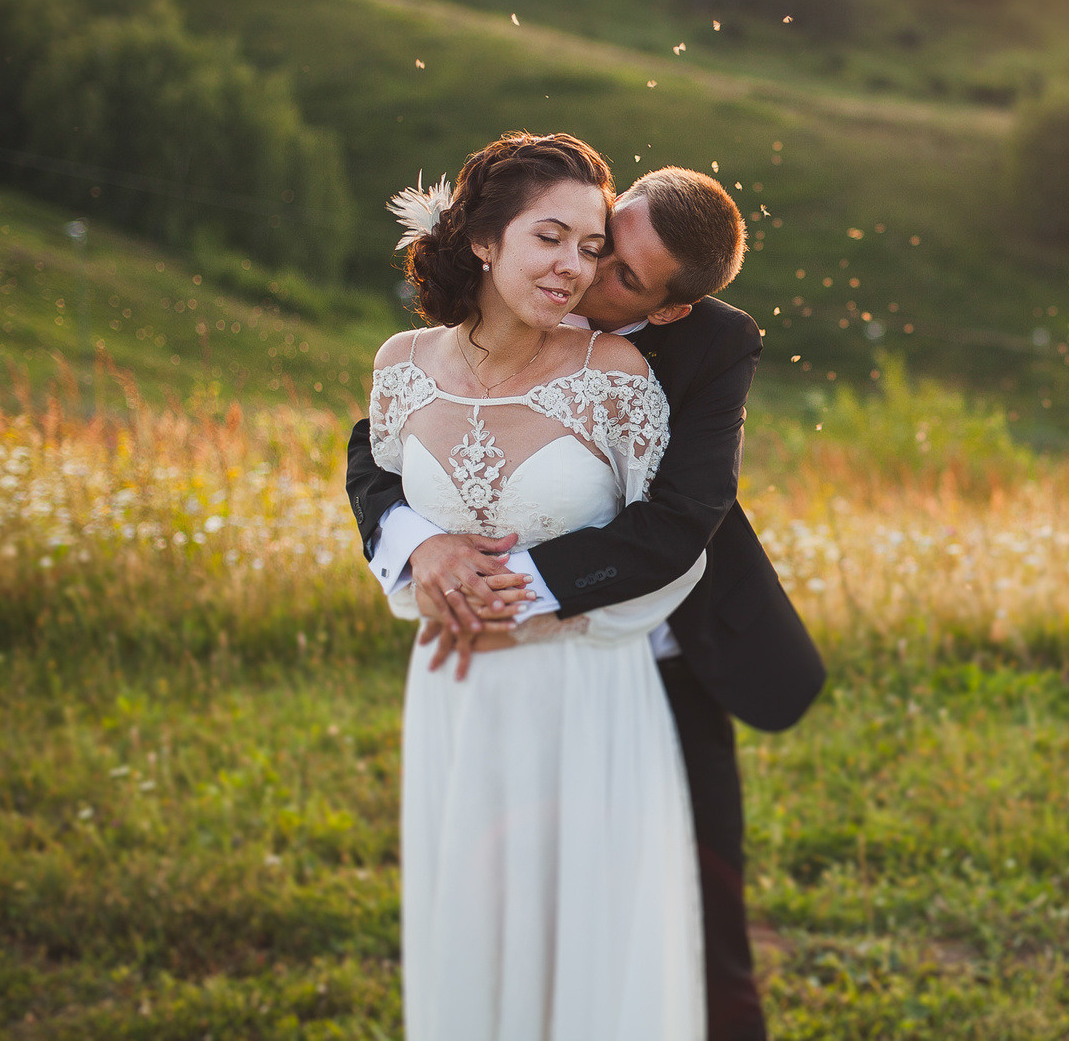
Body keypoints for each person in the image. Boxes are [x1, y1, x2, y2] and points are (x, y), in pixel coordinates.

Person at [347, 136, 824, 1041]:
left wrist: (509, 592)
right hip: (476, 684)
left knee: (689, 917)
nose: (585, 276)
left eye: (620, 274)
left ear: (674, 307)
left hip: (659, 659)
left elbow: (684, 519)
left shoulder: (704, 347)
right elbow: (379, 450)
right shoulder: (533, 260)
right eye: (599, 241)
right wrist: (420, 545)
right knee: (489, 908)